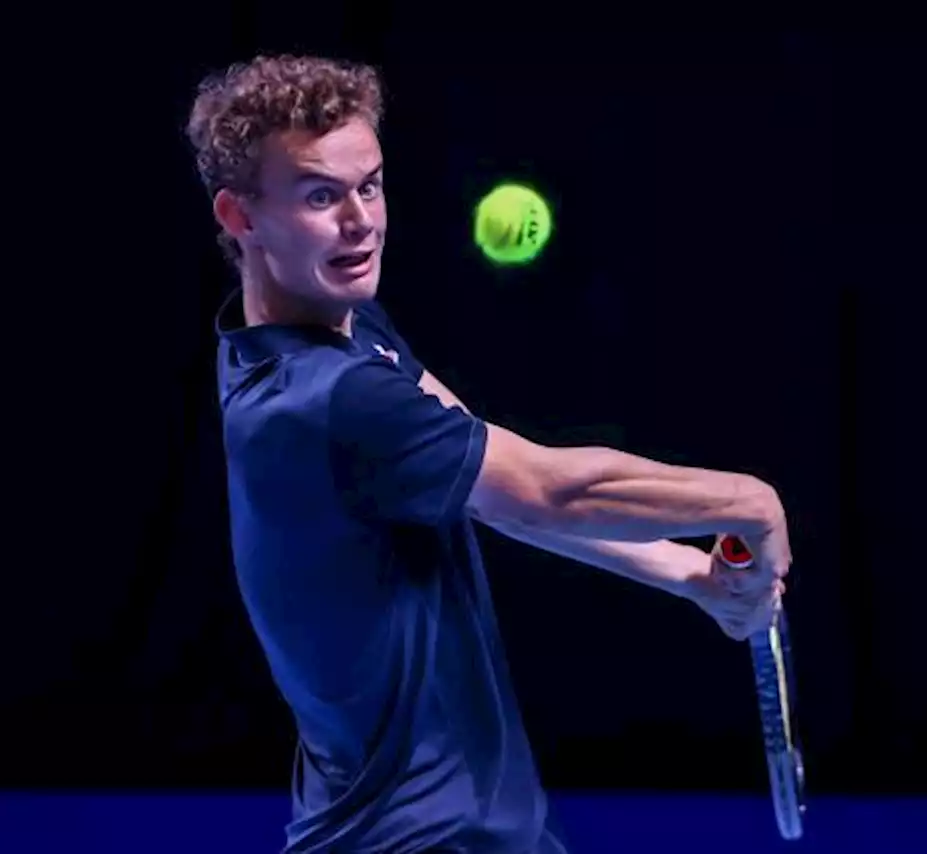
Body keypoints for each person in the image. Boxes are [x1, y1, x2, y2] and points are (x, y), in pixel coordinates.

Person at [185, 54, 792, 854]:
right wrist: (749, 501)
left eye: (369, 185)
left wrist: (690, 577)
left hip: (464, 821)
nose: (361, 221)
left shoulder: (330, 334)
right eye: (320, 196)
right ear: (240, 217)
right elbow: (546, 489)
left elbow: (490, 482)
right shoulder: (329, 400)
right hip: (423, 834)